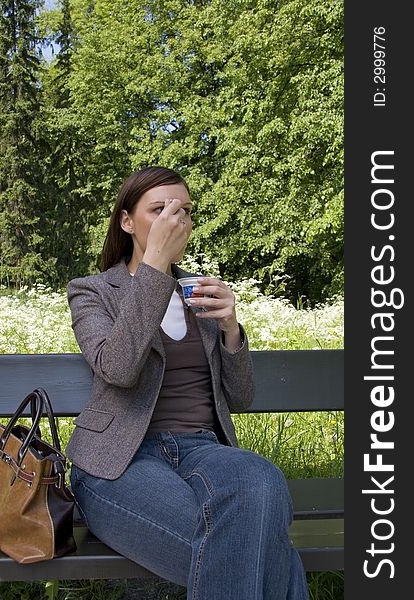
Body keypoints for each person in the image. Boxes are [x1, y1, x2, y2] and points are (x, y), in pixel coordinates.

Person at [66, 166, 309, 599]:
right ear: (127, 222)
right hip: (119, 460)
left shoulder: (197, 293)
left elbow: (240, 397)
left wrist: (232, 328)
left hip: (202, 448)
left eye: (183, 211)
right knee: (252, 548)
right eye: (159, 210)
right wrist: (156, 267)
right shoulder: (93, 291)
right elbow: (118, 368)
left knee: (263, 480)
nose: (173, 221)